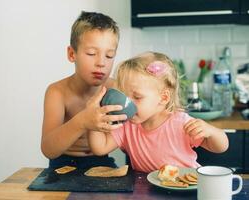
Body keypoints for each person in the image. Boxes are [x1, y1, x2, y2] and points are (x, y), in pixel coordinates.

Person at [88, 51, 229, 173]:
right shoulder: (128, 125)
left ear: (164, 98)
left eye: (137, 97)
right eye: (125, 96)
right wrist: (92, 117)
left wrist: (211, 131)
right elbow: (100, 148)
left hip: (184, 186)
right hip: (146, 190)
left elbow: (220, 147)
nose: (128, 103)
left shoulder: (180, 123)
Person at [41, 11, 127, 170]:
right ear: (72, 54)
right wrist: (82, 121)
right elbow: (48, 149)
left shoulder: (115, 88)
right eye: (91, 53)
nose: (101, 62)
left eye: (109, 56)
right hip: (62, 165)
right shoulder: (57, 92)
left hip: (102, 161)